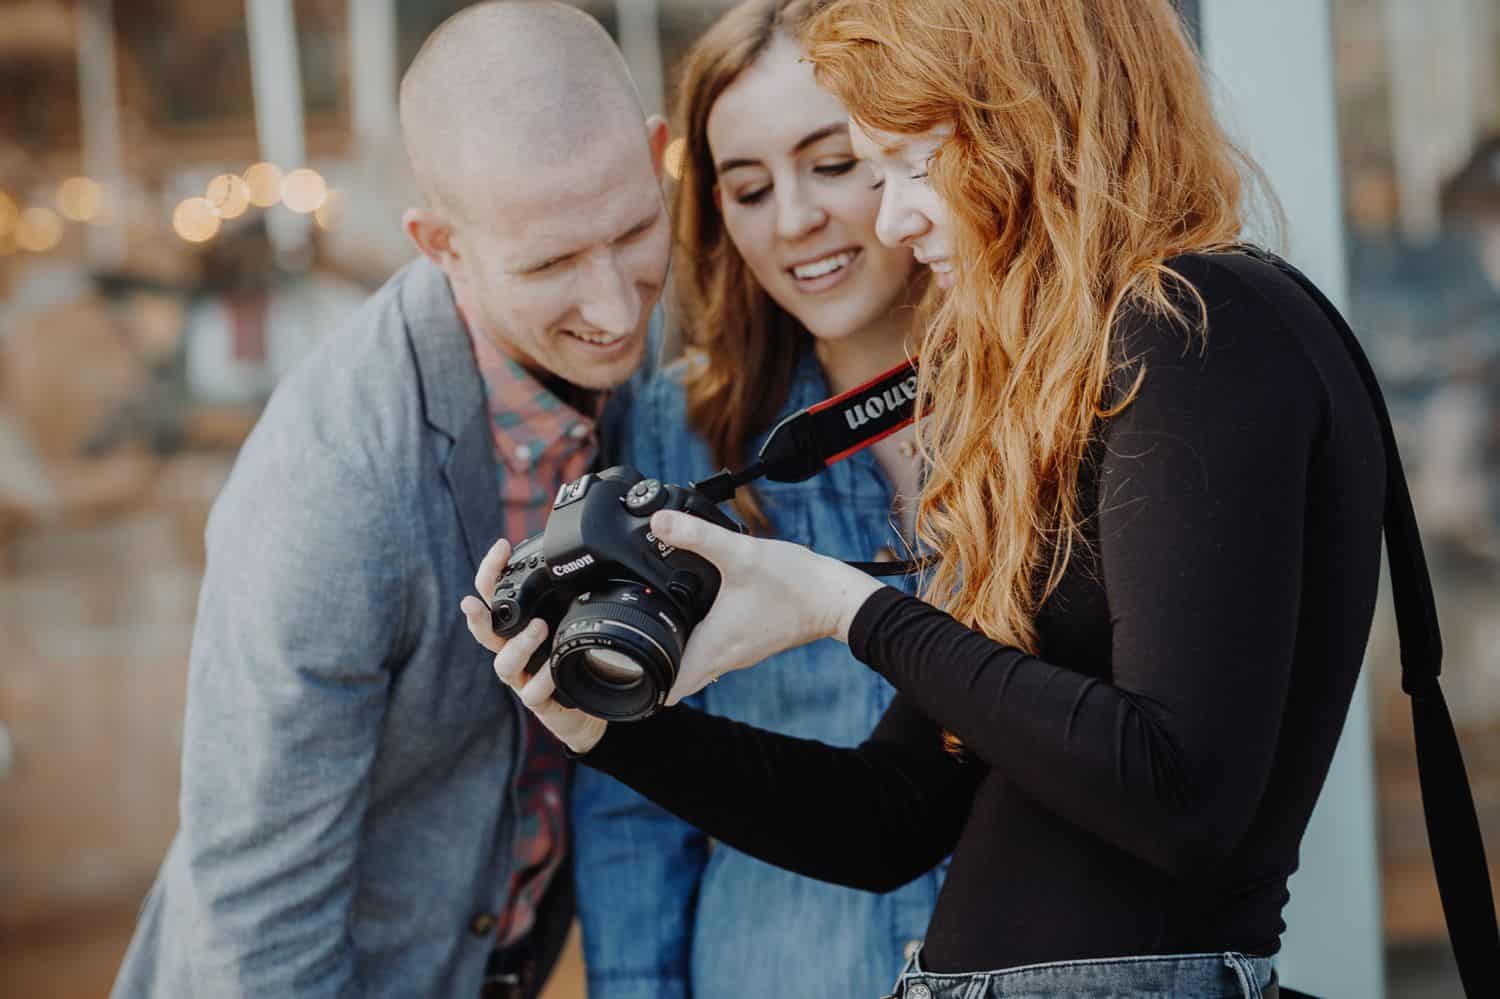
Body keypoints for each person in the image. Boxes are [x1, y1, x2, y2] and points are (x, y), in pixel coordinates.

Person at [467, 1, 1390, 997]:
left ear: (1034, 119)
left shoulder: (1194, 325)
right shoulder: (1094, 371)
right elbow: (889, 816)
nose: (893, 217)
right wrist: (612, 729)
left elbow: (1182, 796)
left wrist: (845, 609)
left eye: (908, 163)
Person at [112, 3, 670, 997]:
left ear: (658, 156)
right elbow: (262, 912)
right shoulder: (333, 482)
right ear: (439, 242)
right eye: (549, 265)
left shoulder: (656, 360)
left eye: (633, 231)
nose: (618, 306)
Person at [563, 2, 942, 996]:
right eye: (748, 187)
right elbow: (636, 799)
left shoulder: (1046, 403)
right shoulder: (672, 432)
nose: (794, 220)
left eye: (832, 163)